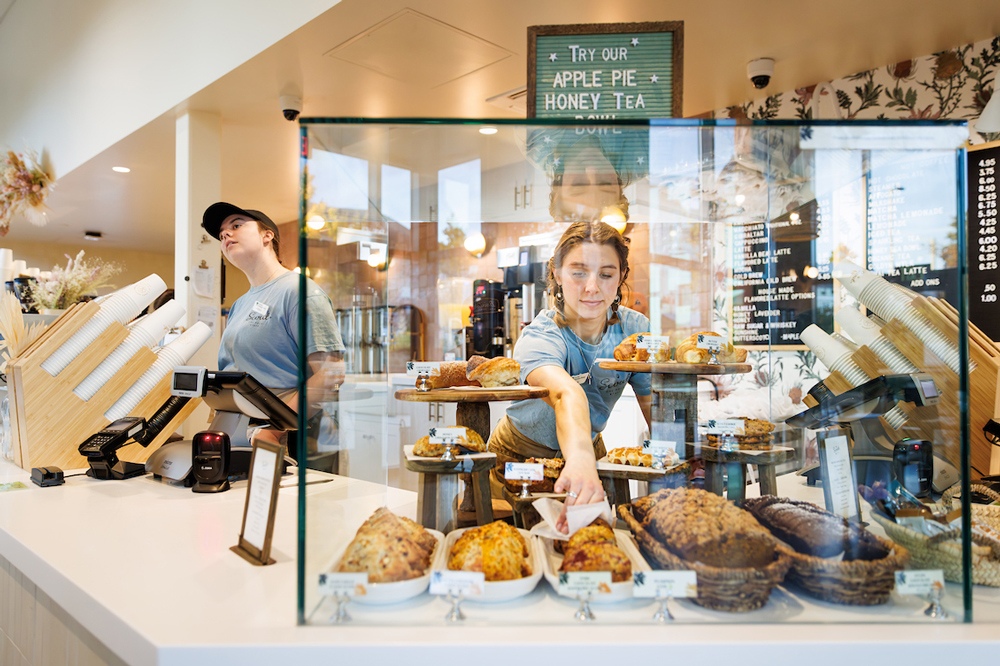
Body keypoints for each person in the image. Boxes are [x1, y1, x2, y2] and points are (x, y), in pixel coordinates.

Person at [488, 221, 652, 532]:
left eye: (606, 274)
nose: (592, 287)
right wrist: (579, 459)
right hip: (520, 458)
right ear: (558, 275)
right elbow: (565, 393)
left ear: (620, 278)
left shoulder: (634, 330)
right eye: (578, 272)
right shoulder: (540, 335)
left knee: (589, 552)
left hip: (588, 458)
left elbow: (651, 401)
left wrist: (678, 448)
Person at [201, 202, 345, 452]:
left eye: (236, 225)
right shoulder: (240, 304)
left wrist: (275, 429)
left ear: (267, 235)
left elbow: (331, 372)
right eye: (221, 234)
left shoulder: (299, 291)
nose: (225, 235)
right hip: (240, 430)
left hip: (288, 436)